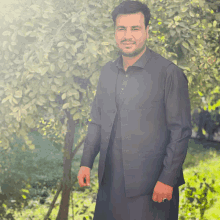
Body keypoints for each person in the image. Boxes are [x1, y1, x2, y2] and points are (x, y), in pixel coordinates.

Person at [77, 1, 192, 219]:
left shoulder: (169, 74)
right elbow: (97, 121)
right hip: (109, 185)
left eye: (135, 28)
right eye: (121, 28)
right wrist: (86, 162)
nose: (127, 35)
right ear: (114, 32)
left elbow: (181, 132)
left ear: (147, 31)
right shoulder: (108, 72)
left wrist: (167, 179)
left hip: (151, 188)